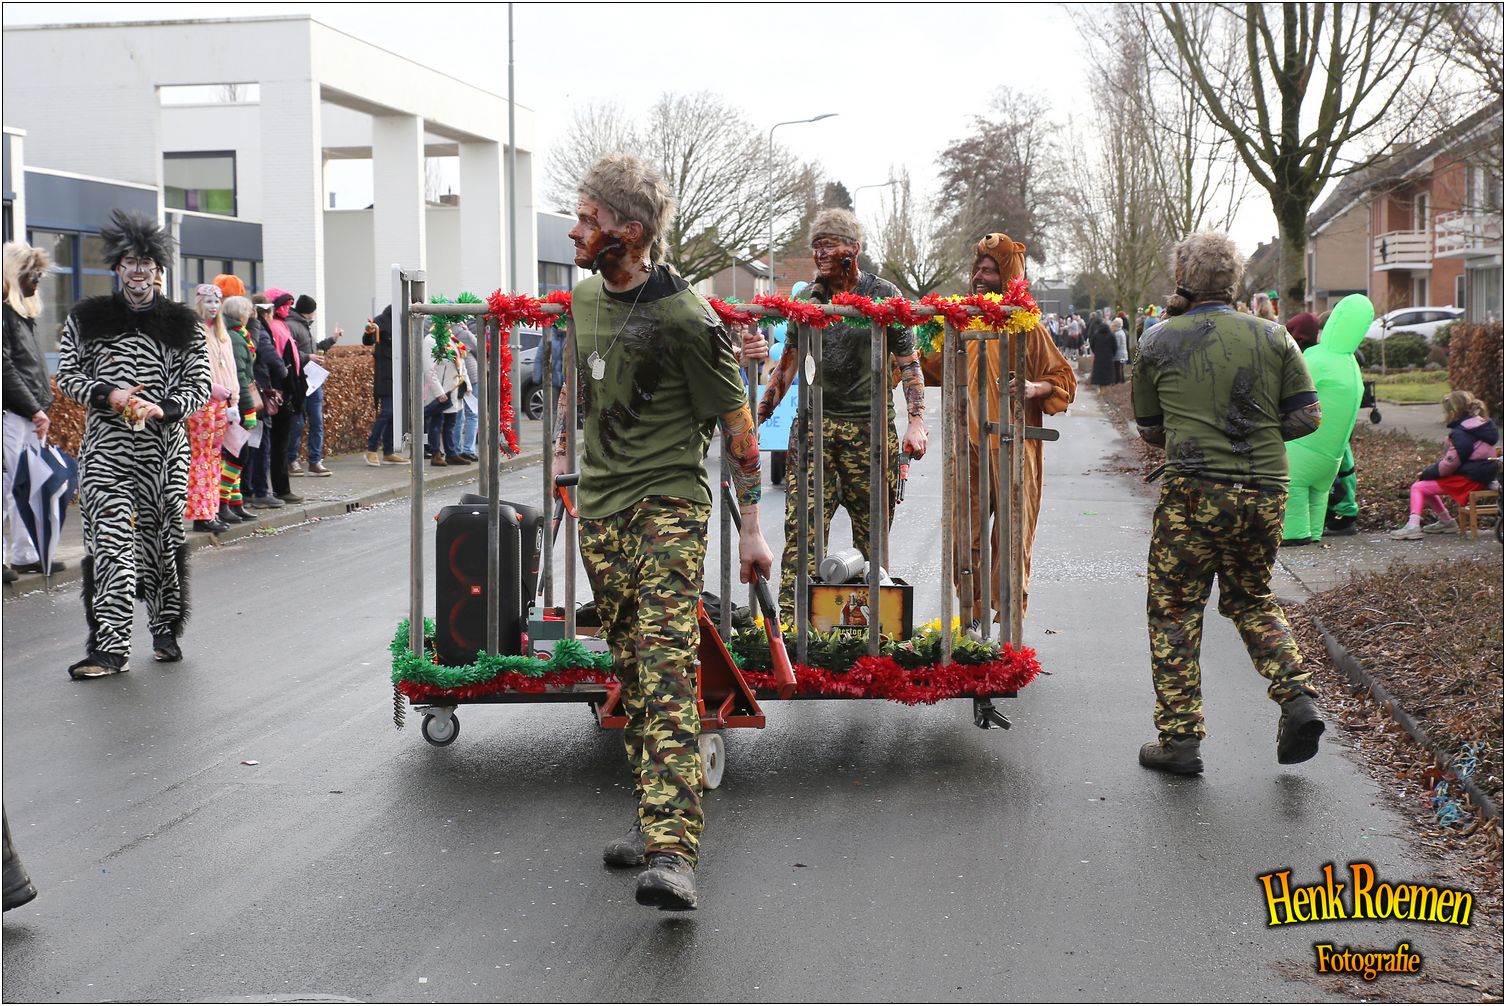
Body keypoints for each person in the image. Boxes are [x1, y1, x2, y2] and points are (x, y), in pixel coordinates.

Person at [559, 153, 773, 911]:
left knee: (666, 665)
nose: (575, 230)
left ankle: (674, 851)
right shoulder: (584, 297)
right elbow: (582, 385)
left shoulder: (690, 319)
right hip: (601, 511)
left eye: (588, 219)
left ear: (629, 231)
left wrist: (753, 530)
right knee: (633, 671)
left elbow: (739, 431)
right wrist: (564, 464)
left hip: (668, 509)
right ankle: (655, 814)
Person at [1131, 231, 1325, 775]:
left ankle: (1180, 740)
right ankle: (1296, 696)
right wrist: (1251, 431)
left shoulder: (1157, 340)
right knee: (1251, 598)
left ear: (1182, 280)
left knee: (1174, 609)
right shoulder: (1274, 335)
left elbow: (1149, 428)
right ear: (1235, 280)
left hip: (1194, 492)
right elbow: (1308, 415)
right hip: (1265, 490)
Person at [54, 210, 210, 678]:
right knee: (110, 546)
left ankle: (164, 628)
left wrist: (163, 408)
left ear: (158, 269)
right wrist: (109, 394)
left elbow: (199, 384)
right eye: (129, 262)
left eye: (146, 262)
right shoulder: (87, 318)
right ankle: (110, 648)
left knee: (161, 542)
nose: (138, 271)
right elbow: (68, 375)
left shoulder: (184, 324)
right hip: (107, 452)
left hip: (164, 453)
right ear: (118, 268)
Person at [755, 208, 928, 626]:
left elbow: (909, 363)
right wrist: (756, 416)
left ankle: (868, 630)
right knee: (803, 534)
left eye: (829, 245)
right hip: (813, 431)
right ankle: (796, 629)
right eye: (816, 246)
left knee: (872, 541)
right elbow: (787, 365)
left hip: (869, 432)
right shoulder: (807, 301)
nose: (820, 254)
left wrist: (916, 421)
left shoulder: (883, 295)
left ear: (854, 249)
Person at [954, 233, 1076, 633]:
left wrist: (1033, 388)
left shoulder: (1027, 325)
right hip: (971, 445)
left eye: (990, 270)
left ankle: (1007, 626)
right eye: (978, 268)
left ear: (1007, 276)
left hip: (1012, 446)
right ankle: (971, 618)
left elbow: (1063, 379)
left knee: (1010, 537)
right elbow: (933, 364)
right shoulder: (965, 320)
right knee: (965, 534)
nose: (980, 277)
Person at [2, 241, 61, 581]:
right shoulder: (5, 315)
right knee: (9, 484)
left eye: (39, 274)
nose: (38, 280)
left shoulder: (19, 315)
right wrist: (34, 407)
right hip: (12, 413)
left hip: (24, 412)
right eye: (32, 274)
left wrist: (37, 408)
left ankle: (25, 555)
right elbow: (5, 368)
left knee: (24, 485)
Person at [1389, 391, 1500, 539]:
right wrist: (1429, 473)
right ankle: (1446, 522)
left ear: (1452, 413)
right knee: (1425, 485)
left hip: (1469, 479)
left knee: (1418, 487)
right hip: (1482, 475)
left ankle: (1413, 526)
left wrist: (1427, 473)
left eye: (1444, 412)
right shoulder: (1481, 426)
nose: (1444, 415)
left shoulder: (1462, 433)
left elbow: (1450, 464)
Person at [185, 284, 239, 533]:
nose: (214, 306)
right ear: (199, 304)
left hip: (222, 402)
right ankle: (201, 514)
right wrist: (210, 387)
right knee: (202, 457)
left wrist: (234, 400)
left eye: (217, 301)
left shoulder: (221, 334)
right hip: (202, 401)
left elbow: (231, 369)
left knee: (215, 456)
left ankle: (211, 510)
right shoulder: (193, 333)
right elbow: (189, 370)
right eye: (208, 301)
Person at [284, 294, 339, 477]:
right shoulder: (293, 326)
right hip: (301, 381)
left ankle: (314, 461)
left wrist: (331, 340)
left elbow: (312, 347)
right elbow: (288, 352)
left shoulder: (303, 325)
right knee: (300, 422)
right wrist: (308, 357)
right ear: (309, 312)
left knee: (315, 421)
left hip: (313, 380)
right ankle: (293, 460)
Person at [219, 294, 260, 524]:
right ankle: (222, 502)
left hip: (233, 402)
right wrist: (249, 409)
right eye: (248, 312)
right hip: (237, 404)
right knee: (238, 455)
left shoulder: (235, 334)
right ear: (240, 314)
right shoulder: (235, 338)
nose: (250, 316)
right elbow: (240, 377)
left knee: (236, 452)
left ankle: (235, 503)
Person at [261, 289, 305, 504]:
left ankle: (272, 489)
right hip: (279, 393)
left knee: (276, 444)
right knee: (278, 444)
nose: (288, 308)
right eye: (284, 304)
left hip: (280, 392)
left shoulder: (278, 326)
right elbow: (281, 363)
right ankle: (278, 488)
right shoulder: (276, 328)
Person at [362, 306, 408, 466]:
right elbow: (368, 340)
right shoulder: (381, 321)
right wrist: (369, 332)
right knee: (387, 412)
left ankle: (388, 452)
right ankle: (372, 449)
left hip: (399, 375)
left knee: (394, 414)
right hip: (386, 375)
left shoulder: (404, 322)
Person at [1088, 312, 1117, 386]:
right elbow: (1115, 346)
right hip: (1108, 357)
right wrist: (1112, 354)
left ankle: (1100, 388)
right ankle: (1107, 387)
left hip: (1099, 356)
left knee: (1099, 374)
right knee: (1108, 375)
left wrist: (1096, 352)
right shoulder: (1111, 335)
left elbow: (1092, 345)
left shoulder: (1096, 335)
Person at [1111, 317, 1129, 384]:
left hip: (1119, 355)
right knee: (1120, 369)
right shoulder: (1121, 332)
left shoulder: (1117, 334)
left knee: (1118, 369)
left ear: (1116, 325)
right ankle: (1121, 382)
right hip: (1122, 354)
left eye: (1113, 325)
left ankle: (1118, 382)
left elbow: (1116, 345)